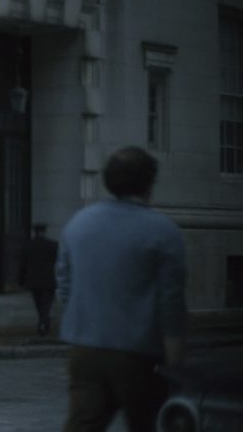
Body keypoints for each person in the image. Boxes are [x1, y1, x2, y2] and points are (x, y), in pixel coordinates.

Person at [56, 146, 187, 432]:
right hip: (137, 351)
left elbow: (64, 283)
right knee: (148, 423)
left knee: (82, 424)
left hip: (85, 348)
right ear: (149, 183)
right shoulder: (163, 231)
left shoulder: (79, 223)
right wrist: (175, 355)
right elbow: (171, 301)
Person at [24, 223, 58, 336]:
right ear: (44, 231)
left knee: (39, 304)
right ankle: (44, 322)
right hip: (48, 279)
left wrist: (22, 280)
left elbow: (24, 264)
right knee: (46, 304)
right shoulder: (53, 245)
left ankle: (43, 323)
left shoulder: (29, 245)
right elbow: (55, 260)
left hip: (35, 280)